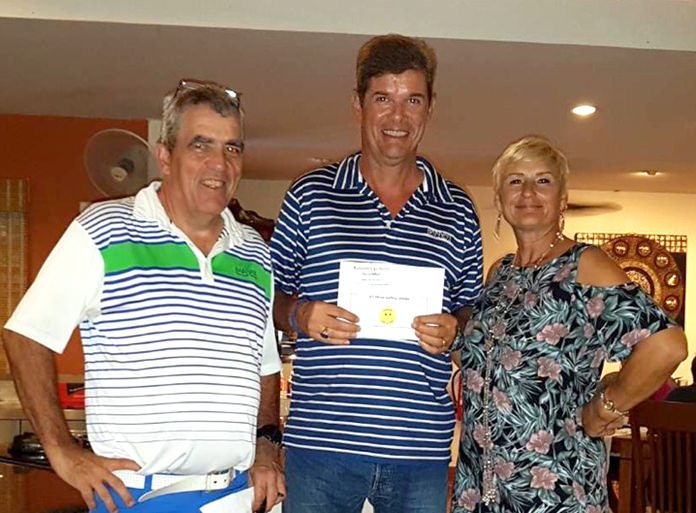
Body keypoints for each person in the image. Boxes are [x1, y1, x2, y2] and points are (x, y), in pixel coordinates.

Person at [2, 79, 285, 513]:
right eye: (201, 145)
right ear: (165, 156)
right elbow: (26, 336)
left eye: (232, 148)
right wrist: (62, 450)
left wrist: (266, 447)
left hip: (235, 494)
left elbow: (264, 366)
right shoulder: (103, 229)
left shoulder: (255, 252)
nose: (219, 163)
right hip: (139, 496)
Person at [270, 34, 483, 513]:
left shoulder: (457, 208)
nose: (398, 117)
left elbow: (472, 308)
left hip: (420, 449)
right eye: (383, 98)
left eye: (413, 100)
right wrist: (301, 315)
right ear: (358, 104)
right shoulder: (310, 195)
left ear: (430, 108)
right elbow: (267, 295)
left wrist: (456, 327)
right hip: (321, 445)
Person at [451, 135, 688, 513]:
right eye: (515, 180)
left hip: (555, 487)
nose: (528, 192)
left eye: (543, 180)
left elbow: (667, 345)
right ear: (499, 198)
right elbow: (490, 363)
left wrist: (607, 406)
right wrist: (450, 336)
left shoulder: (584, 265)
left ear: (562, 199)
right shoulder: (500, 273)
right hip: (483, 484)